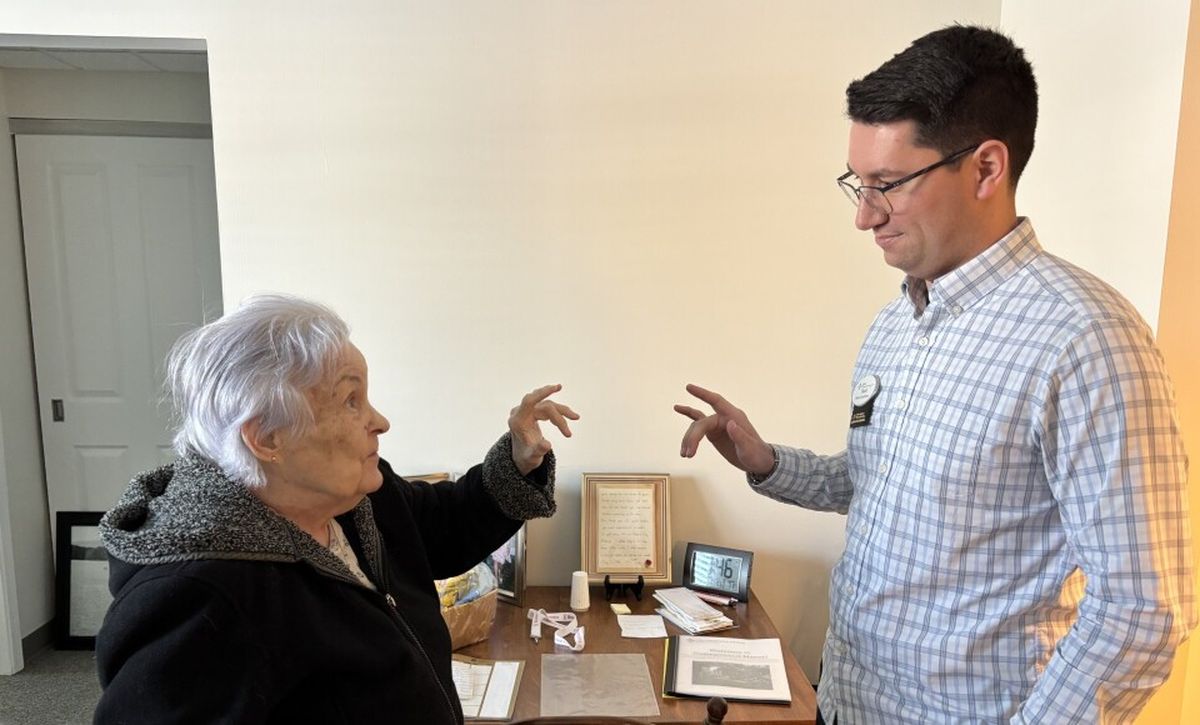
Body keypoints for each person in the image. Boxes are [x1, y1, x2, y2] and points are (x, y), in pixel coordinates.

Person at [675, 25, 1193, 724]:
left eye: (887, 185)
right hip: (846, 702)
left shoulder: (1088, 341)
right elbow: (874, 482)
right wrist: (765, 461)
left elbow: (1142, 610)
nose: (865, 216)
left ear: (986, 168)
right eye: (858, 185)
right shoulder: (896, 324)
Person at [93, 294, 578, 724]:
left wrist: (519, 460)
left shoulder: (355, 496)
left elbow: (442, 526)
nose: (380, 421)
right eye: (351, 400)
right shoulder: (200, 598)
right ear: (267, 437)